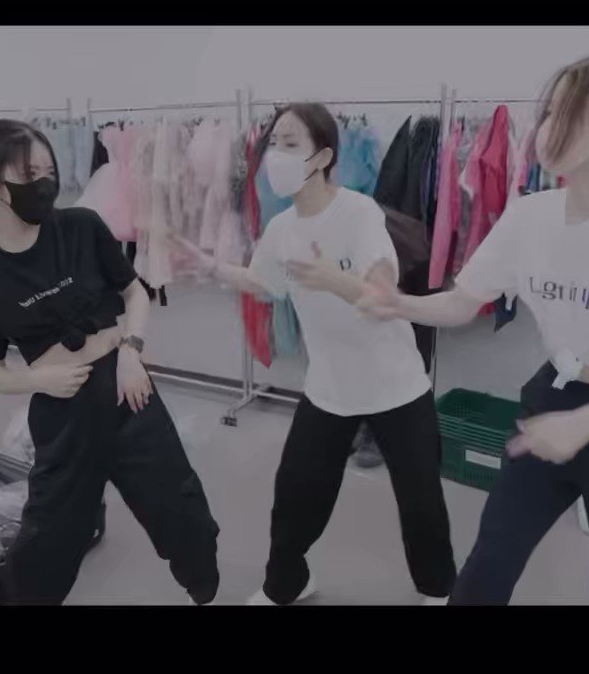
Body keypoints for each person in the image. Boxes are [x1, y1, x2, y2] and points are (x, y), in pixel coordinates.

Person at [359, 53, 589, 605]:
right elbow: (463, 303)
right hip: (551, 406)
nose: (546, 130)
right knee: (489, 563)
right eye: (549, 113)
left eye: (569, 115)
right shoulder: (530, 216)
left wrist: (584, 425)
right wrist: (397, 304)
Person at [175, 102, 456, 606]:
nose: (276, 155)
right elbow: (264, 282)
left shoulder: (359, 213)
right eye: (273, 143)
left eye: (290, 144)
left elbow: (382, 293)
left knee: (421, 503)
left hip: (396, 386)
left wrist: (333, 279)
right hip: (329, 388)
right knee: (295, 497)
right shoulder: (282, 229)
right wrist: (211, 266)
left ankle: (438, 590)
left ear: (323, 156)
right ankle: (289, 583)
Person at [0, 120, 220, 606]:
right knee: (45, 548)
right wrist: (38, 378)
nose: (44, 184)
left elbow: (135, 294)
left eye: (49, 172)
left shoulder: (82, 227)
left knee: (184, 513)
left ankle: (205, 590)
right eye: (29, 174)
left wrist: (131, 351)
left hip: (128, 392)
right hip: (63, 413)